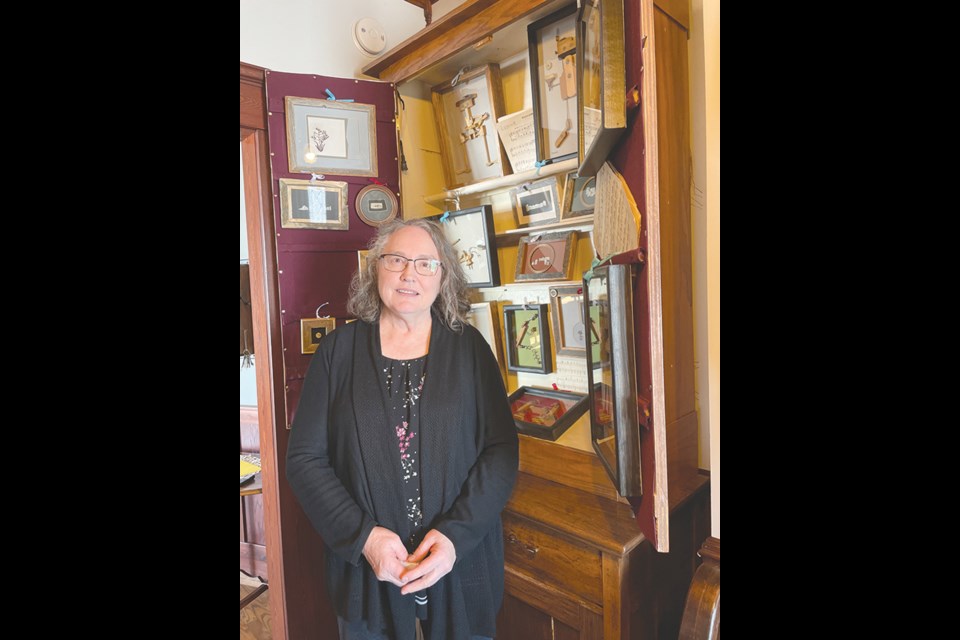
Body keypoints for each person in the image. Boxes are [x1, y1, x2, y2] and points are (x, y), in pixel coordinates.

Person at [287, 218, 519, 640]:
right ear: (376, 269)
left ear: (443, 276)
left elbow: (501, 451)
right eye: (396, 260)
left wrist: (454, 538)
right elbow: (304, 459)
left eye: (425, 263)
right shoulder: (338, 352)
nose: (409, 274)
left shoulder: (470, 349)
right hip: (366, 572)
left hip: (458, 564)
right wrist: (365, 539)